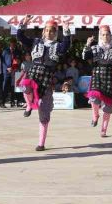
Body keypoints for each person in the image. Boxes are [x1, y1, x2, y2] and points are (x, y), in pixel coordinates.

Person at [16, 16, 72, 151]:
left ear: (55, 32)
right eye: (47, 30)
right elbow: (21, 38)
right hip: (34, 73)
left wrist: (66, 29)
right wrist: (22, 26)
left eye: (52, 31)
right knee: (25, 85)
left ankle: (41, 143)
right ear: (43, 31)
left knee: (44, 113)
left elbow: (66, 44)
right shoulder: (35, 42)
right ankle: (29, 105)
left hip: (47, 78)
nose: (49, 33)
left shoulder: (58, 46)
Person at [82, 26, 112, 137]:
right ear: (100, 36)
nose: (105, 37)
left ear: (110, 36)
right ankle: (95, 116)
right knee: (93, 97)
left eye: (107, 34)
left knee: (107, 106)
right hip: (97, 74)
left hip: (109, 76)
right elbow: (84, 57)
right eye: (103, 35)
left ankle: (104, 129)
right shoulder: (95, 48)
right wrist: (87, 44)